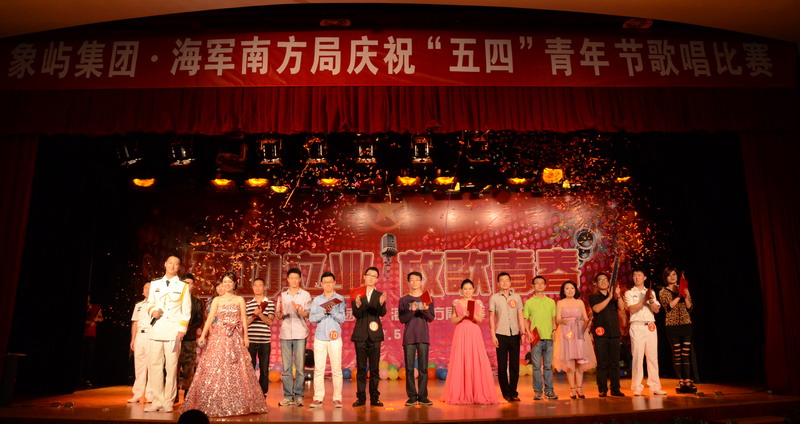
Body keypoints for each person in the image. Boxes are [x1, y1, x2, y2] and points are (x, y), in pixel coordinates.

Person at [180, 273, 268, 417]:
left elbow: (243, 319)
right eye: (225, 282)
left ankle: (238, 402)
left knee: (237, 369)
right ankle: (216, 400)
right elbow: (210, 318)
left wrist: (246, 337)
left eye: (230, 282)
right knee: (216, 367)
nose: (227, 284)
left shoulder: (239, 299)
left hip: (235, 337)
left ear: (234, 284)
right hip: (219, 336)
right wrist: (202, 335)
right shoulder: (217, 300)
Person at [145, 256, 192, 413]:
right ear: (165, 264)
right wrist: (153, 310)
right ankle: (156, 400)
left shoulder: (183, 286)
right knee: (155, 366)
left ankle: (168, 401)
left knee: (171, 367)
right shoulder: (155, 284)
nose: (172, 266)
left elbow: (186, 310)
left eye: (176, 264)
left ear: (179, 267)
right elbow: (149, 303)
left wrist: (182, 329)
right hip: (156, 329)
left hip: (173, 331)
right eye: (170, 263)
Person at [442, 279, 498, 404]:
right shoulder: (456, 302)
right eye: (465, 289)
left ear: (473, 290)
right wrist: (463, 315)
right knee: (461, 359)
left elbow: (480, 319)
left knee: (474, 358)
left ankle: (476, 392)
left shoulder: (477, 303)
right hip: (461, 331)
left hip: (473, 331)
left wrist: (471, 314)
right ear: (461, 290)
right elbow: (453, 320)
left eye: (470, 289)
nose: (467, 291)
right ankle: (460, 392)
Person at [624, 269, 667, 396]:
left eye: (639, 275)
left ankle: (655, 386)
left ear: (644, 277)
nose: (636, 277)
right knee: (637, 357)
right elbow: (631, 309)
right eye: (634, 275)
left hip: (650, 326)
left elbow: (657, 310)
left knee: (653, 357)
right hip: (637, 326)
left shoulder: (651, 292)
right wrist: (644, 300)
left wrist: (651, 300)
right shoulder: (629, 293)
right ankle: (637, 387)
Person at [308, 272, 346, 408]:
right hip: (320, 337)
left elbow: (342, 318)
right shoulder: (317, 300)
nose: (328, 284)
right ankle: (318, 398)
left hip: (335, 337)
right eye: (325, 282)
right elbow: (312, 318)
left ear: (334, 283)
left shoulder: (340, 299)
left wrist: (332, 311)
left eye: (330, 282)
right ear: (321, 284)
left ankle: (337, 398)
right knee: (319, 369)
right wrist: (324, 311)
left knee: (336, 369)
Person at [350, 266, 387, 407]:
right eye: (369, 275)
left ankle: (374, 398)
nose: (371, 278)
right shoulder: (357, 293)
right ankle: (360, 398)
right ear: (364, 277)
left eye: (374, 276)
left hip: (375, 336)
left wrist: (381, 303)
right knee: (361, 368)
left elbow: (382, 313)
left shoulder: (379, 295)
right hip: (360, 335)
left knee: (374, 369)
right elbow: (357, 314)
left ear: (377, 280)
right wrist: (357, 305)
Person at [553, 281, 596, 399]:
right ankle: (572, 389)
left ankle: (580, 389)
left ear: (575, 290)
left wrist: (585, 325)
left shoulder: (579, 302)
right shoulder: (560, 303)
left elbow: (586, 318)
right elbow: (558, 319)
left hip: (579, 332)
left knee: (580, 362)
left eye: (572, 288)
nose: (570, 290)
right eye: (567, 288)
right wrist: (567, 321)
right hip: (567, 332)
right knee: (570, 362)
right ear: (563, 291)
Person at [275, 268, 311, 406]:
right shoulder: (283, 296)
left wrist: (299, 311)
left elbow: (308, 314)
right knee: (287, 368)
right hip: (285, 333)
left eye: (297, 278)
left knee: (300, 367)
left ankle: (299, 395)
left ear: (300, 279)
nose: (294, 280)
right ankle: (288, 396)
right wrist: (279, 313)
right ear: (288, 280)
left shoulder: (305, 295)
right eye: (292, 278)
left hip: (300, 332)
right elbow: (278, 316)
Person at [398, 271, 435, 406]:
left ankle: (423, 396)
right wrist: (412, 310)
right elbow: (402, 319)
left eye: (417, 280)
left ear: (421, 282)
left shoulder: (427, 298)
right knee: (409, 368)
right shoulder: (404, 300)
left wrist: (424, 310)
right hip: (409, 337)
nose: (414, 282)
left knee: (423, 368)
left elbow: (431, 318)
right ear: (408, 282)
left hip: (423, 337)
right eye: (411, 280)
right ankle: (412, 396)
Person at [659, 267, 696, 394]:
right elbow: (668, 307)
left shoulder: (683, 288)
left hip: (686, 323)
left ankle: (688, 380)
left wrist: (687, 296)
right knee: (677, 354)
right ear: (666, 278)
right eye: (669, 275)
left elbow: (690, 307)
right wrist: (679, 296)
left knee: (685, 353)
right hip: (672, 325)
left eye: (674, 274)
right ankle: (680, 381)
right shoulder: (663, 291)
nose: (672, 277)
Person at [489, 272, 525, 402]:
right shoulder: (494, 298)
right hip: (501, 334)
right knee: (502, 365)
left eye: (507, 280)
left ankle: (513, 392)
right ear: (498, 283)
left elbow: (520, 315)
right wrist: (493, 335)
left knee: (515, 365)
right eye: (502, 280)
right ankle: (505, 393)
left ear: (510, 282)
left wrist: (523, 332)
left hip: (515, 334)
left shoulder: (516, 297)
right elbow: (491, 317)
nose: (504, 283)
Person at [589, 272, 626, 397]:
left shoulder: (614, 296)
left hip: (614, 333)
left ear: (609, 282)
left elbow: (622, 308)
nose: (603, 282)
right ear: (596, 283)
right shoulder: (593, 296)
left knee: (615, 363)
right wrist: (609, 298)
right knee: (602, 363)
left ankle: (615, 389)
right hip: (600, 334)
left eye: (605, 279)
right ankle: (602, 389)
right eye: (600, 280)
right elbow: (596, 309)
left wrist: (618, 295)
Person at [523, 275, 558, 400]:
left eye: (541, 283)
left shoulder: (551, 302)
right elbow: (525, 320)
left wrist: (554, 330)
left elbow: (553, 319)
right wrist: (528, 332)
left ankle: (549, 391)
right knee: (536, 366)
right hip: (536, 338)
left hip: (549, 337)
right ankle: (538, 391)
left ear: (545, 285)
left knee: (548, 366)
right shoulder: (529, 302)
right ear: (533, 286)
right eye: (536, 283)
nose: (539, 285)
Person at [246, 277, 275, 399]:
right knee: (250, 368)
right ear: (253, 288)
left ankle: (262, 393)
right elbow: (245, 323)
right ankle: (251, 392)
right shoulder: (248, 304)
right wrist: (254, 315)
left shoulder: (270, 303)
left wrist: (260, 314)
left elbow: (270, 322)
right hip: (251, 341)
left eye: (260, 285)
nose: (258, 288)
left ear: (264, 287)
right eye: (255, 285)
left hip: (264, 341)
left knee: (264, 368)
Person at [177, 273, 204, 403]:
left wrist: (187, 328)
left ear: (193, 285)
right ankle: (173, 393)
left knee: (188, 367)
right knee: (173, 366)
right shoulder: (175, 300)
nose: (188, 286)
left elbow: (199, 320)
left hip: (189, 339)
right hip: (175, 338)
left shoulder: (197, 302)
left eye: (190, 283)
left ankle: (188, 393)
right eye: (185, 283)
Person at [128, 282, 153, 403]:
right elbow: (135, 322)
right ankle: (137, 394)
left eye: (149, 288)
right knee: (139, 365)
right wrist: (133, 339)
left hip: (151, 335)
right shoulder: (138, 305)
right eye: (145, 288)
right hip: (139, 336)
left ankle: (150, 394)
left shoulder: (156, 305)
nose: (147, 290)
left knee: (151, 365)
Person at [79, 296, 103, 389]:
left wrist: (97, 320)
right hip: (83, 335)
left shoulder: (96, 307)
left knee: (89, 357)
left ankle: (87, 378)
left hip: (91, 335)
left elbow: (101, 318)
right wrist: (88, 322)